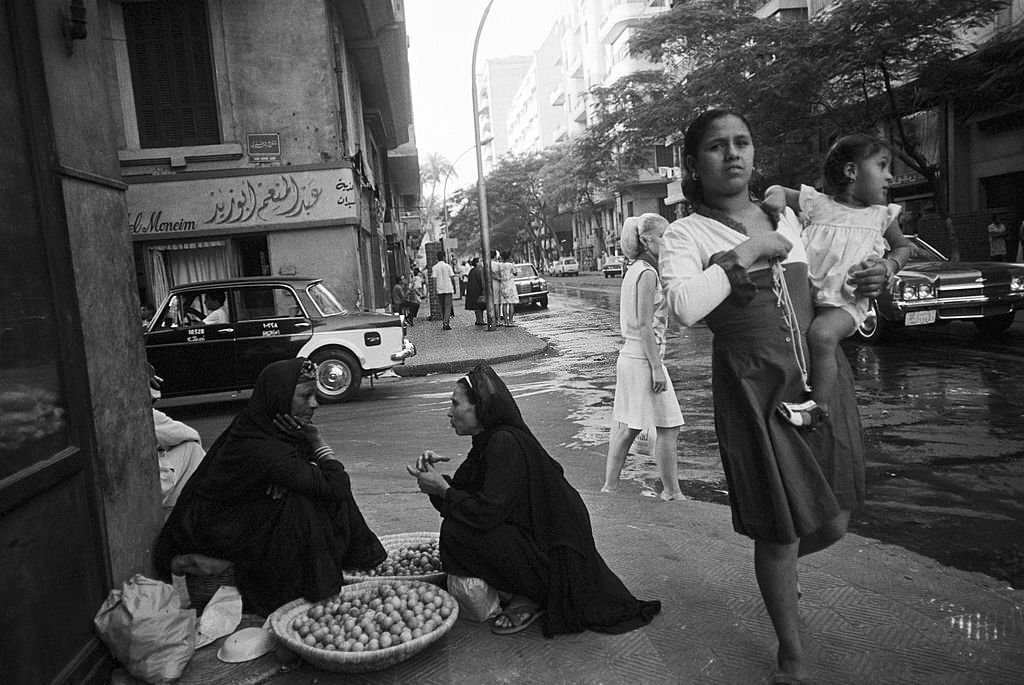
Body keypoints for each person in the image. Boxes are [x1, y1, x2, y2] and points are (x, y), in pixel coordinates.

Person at [659, 109, 887, 684]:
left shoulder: (785, 213)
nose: (733, 154)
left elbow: (822, 288)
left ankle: (777, 573)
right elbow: (685, 307)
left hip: (817, 380)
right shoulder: (686, 234)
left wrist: (872, 281)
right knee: (780, 528)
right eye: (716, 146)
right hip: (753, 388)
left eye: (742, 142)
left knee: (833, 522)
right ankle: (790, 649)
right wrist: (746, 253)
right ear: (694, 163)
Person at [406, 365, 661, 637]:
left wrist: (443, 489)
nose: (450, 411)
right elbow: (465, 497)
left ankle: (533, 595)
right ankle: (519, 586)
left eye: (455, 404)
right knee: (457, 529)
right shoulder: (486, 441)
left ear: (479, 408)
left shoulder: (504, 443)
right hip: (530, 539)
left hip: (554, 554)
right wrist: (435, 483)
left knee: (458, 533)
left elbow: (484, 513)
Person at [154, 358, 386, 615]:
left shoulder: (262, 424)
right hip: (215, 528)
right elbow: (337, 486)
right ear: (280, 396)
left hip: (237, 513)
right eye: (306, 396)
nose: (314, 404)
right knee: (305, 506)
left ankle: (339, 567)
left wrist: (291, 476)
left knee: (307, 492)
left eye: (316, 396)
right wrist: (318, 442)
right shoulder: (264, 447)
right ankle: (307, 589)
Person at [764, 134, 912, 428]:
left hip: (847, 301)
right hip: (808, 296)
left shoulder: (881, 216)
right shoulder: (817, 203)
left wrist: (888, 264)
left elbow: (902, 247)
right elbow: (777, 189)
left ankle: (820, 405)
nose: (890, 176)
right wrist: (776, 199)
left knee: (822, 336)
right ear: (851, 171)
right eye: (882, 166)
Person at [601, 214, 685, 501]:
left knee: (633, 427)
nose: (668, 243)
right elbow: (644, 325)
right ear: (647, 239)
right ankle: (671, 492)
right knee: (666, 425)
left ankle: (611, 486)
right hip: (642, 359)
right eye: (663, 237)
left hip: (636, 357)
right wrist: (657, 368)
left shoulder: (637, 269)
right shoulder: (647, 273)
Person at [431, 250, 456, 330]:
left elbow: (434, 280)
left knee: (442, 307)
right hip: (448, 288)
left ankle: (445, 322)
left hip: (439, 289)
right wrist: (454, 287)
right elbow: (452, 278)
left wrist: (434, 291)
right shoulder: (448, 266)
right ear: (444, 257)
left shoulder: (434, 267)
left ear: (437, 258)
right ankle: (446, 323)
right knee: (448, 306)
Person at [498, 251, 520, 326]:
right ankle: (510, 321)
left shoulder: (500, 265)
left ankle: (505, 322)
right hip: (510, 285)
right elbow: (515, 273)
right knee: (511, 303)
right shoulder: (510, 265)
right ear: (508, 257)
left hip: (502, 285)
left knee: (504, 304)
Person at [464, 257, 487, 326]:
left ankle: (479, 320)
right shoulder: (478, 271)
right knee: (479, 307)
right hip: (478, 291)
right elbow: (482, 281)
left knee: (478, 307)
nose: (481, 263)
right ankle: (480, 320)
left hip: (473, 291)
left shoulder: (472, 270)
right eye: (480, 261)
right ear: (477, 263)